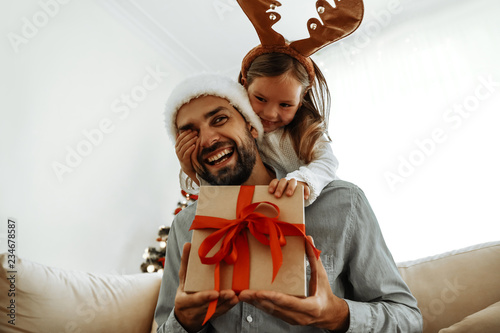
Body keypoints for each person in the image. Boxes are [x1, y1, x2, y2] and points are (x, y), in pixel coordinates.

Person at [156, 73, 423, 332]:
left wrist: (335, 315)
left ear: (251, 125)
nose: (208, 139)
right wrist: (183, 322)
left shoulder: (343, 203)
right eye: (189, 134)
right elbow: (164, 326)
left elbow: (408, 319)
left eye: (220, 119)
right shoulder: (185, 225)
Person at [175, 50, 339, 207]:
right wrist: (189, 169)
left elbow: (327, 162)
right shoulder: (239, 133)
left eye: (285, 104)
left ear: (301, 100)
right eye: (260, 98)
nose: (270, 114)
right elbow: (218, 182)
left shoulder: (306, 132)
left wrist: (304, 180)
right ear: (244, 87)